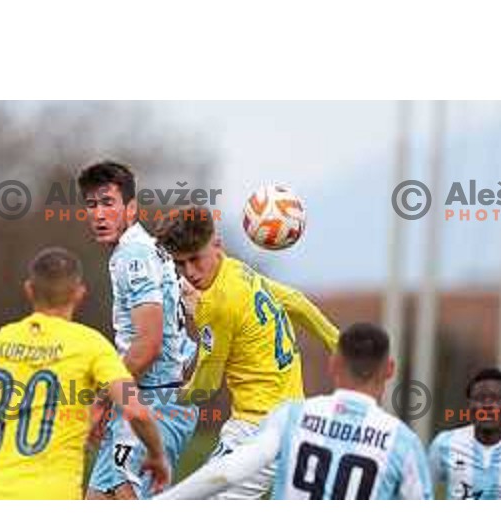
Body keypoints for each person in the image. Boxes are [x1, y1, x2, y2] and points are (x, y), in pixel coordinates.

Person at [0, 247, 168, 500]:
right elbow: (136, 410)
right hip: (52, 494)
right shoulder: (92, 345)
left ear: (29, 290)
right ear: (79, 293)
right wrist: (156, 455)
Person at [154, 207, 339, 499]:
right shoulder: (237, 270)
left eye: (195, 259)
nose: (189, 272)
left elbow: (205, 387)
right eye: (180, 264)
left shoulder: (216, 305)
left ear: (216, 245)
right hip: (293, 423)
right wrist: (337, 342)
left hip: (254, 432)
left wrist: (157, 397)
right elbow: (297, 301)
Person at [156, 323, 432, 500]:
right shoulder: (403, 442)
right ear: (390, 370)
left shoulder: (292, 416)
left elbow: (228, 472)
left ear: (333, 364)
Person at [79, 161, 198, 499]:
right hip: (142, 399)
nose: (99, 214)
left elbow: (149, 345)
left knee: (125, 498)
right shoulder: (144, 248)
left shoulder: (133, 256)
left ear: (131, 208)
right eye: (91, 205)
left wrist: (103, 400)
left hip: (158, 400)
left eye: (108, 203)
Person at [428, 368, 501, 499]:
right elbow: (420, 494)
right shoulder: (444, 444)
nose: (487, 405)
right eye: (479, 398)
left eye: (496, 398)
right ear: (469, 404)